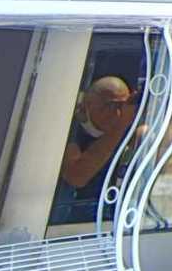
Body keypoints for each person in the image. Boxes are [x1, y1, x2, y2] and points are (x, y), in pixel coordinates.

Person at [49, 76, 138, 224]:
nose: (116, 113)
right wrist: (120, 126)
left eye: (121, 107)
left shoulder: (124, 126)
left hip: (105, 217)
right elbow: (77, 176)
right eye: (110, 105)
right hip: (66, 220)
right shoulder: (69, 128)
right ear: (88, 103)